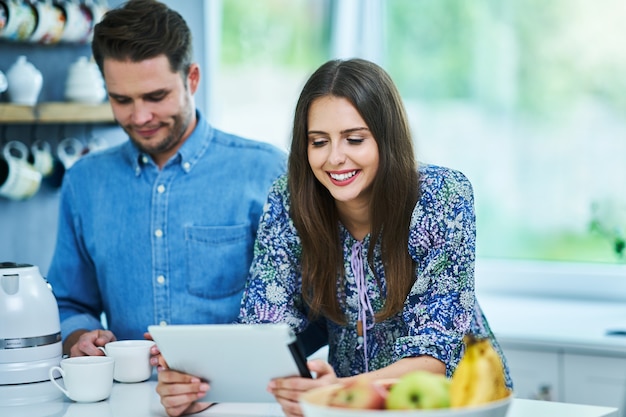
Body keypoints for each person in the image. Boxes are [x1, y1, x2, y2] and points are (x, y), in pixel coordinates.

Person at [156, 58, 512, 417]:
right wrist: (201, 390)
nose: (335, 158)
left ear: (387, 139)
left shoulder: (442, 196)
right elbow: (264, 330)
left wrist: (333, 390)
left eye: (354, 139)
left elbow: (434, 355)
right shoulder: (289, 201)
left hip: (454, 404)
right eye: (318, 141)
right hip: (347, 409)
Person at [46, 0, 288, 358]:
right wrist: (77, 336)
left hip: (241, 400)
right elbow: (67, 302)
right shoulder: (84, 182)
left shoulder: (266, 172)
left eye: (156, 96)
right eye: (122, 99)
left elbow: (310, 310)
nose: (140, 116)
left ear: (192, 79)